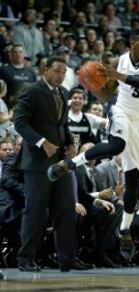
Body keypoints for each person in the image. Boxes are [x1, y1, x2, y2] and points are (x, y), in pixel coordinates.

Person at [47, 28, 139, 260]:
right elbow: (107, 95)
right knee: (116, 145)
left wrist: (118, 76)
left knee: (132, 181)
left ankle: (125, 229)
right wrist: (93, 84)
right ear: (133, 44)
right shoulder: (120, 61)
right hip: (121, 112)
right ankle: (70, 164)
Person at [14, 56, 78, 272]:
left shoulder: (65, 92)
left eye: (64, 71)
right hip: (36, 163)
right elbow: (19, 122)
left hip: (61, 162)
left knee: (67, 209)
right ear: (45, 69)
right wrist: (42, 142)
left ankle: (67, 259)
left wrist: (69, 142)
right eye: (57, 71)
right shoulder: (31, 90)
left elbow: (63, 124)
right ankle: (25, 258)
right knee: (36, 212)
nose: (61, 75)